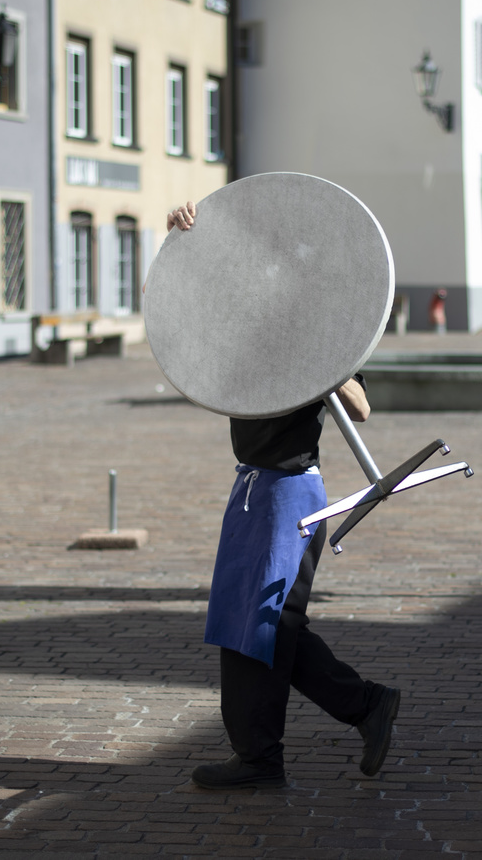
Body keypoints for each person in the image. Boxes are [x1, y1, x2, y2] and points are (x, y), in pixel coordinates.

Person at [166, 201, 401, 790]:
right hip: (250, 486)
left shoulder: (324, 334)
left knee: (270, 623)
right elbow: (180, 315)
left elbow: (362, 408)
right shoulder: (242, 327)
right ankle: (274, 748)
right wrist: (185, 239)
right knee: (245, 623)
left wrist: (322, 360)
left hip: (294, 493)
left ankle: (295, 740)